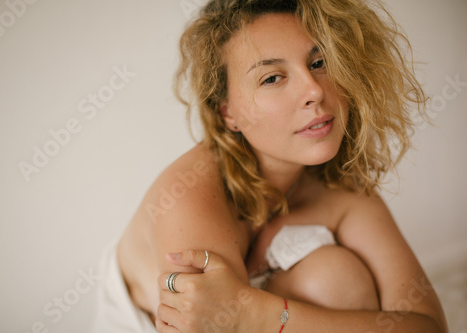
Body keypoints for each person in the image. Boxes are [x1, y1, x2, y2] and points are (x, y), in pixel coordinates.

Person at [91, 0, 448, 332]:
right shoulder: (188, 194)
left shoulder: (341, 191)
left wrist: (262, 314)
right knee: (333, 279)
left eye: (319, 62)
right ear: (228, 113)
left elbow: (426, 325)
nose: (314, 90)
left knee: (335, 277)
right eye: (272, 78)